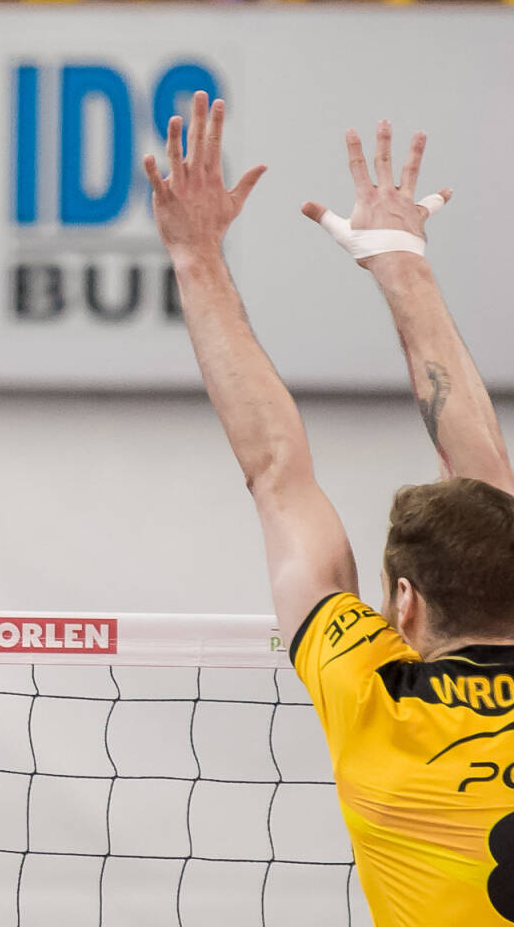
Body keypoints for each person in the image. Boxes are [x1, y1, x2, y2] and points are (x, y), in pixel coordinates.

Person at [147, 92, 514, 927]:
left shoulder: (375, 698)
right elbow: (488, 486)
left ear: (404, 602)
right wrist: (403, 264)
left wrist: (195, 254)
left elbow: (276, 468)